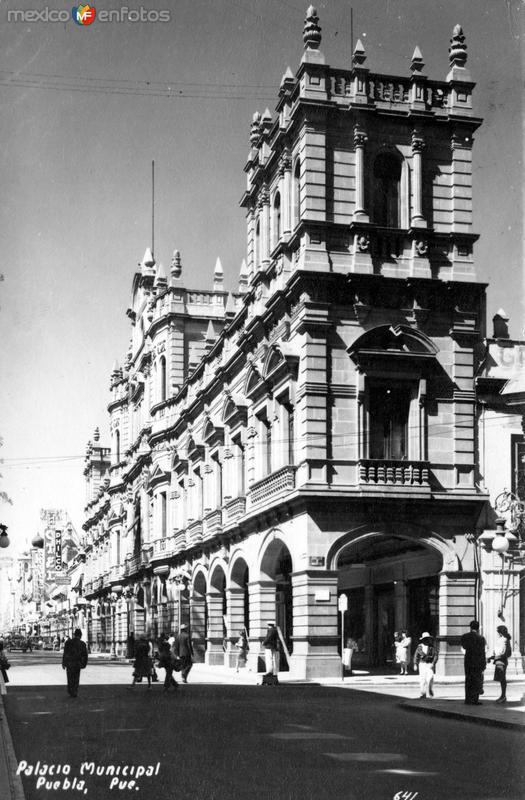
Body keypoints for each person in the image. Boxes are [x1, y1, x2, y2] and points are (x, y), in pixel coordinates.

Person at [460, 620, 486, 705]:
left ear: (470, 627)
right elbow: (482, 652)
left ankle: (467, 699)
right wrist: (483, 664)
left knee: (468, 679)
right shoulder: (481, 638)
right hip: (477, 661)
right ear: (478, 628)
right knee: (476, 680)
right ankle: (475, 700)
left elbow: (463, 647)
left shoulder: (465, 636)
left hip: (468, 661)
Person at [488, 624, 512, 704]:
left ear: (500, 632)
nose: (497, 633)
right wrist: (492, 656)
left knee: (502, 679)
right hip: (499, 661)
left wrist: (492, 658)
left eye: (498, 632)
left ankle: (503, 696)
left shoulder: (504, 640)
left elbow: (503, 653)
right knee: (502, 679)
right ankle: (502, 696)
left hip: (501, 661)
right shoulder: (503, 639)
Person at [62, 629, 88, 698]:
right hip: (77, 663)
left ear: (74, 634)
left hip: (69, 663)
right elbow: (85, 655)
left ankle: (70, 690)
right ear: (80, 635)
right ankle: (75, 691)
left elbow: (65, 653)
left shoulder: (68, 642)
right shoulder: (82, 644)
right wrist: (84, 664)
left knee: (70, 677)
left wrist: (63, 663)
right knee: (76, 678)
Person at [413, 632, 438, 699]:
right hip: (422, 664)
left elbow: (435, 655)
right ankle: (423, 693)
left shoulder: (431, 647)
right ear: (422, 639)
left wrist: (433, 663)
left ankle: (430, 689)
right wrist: (415, 664)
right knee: (422, 679)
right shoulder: (419, 647)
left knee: (430, 678)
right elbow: (416, 656)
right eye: (425, 639)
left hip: (429, 664)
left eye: (427, 639)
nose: (426, 640)